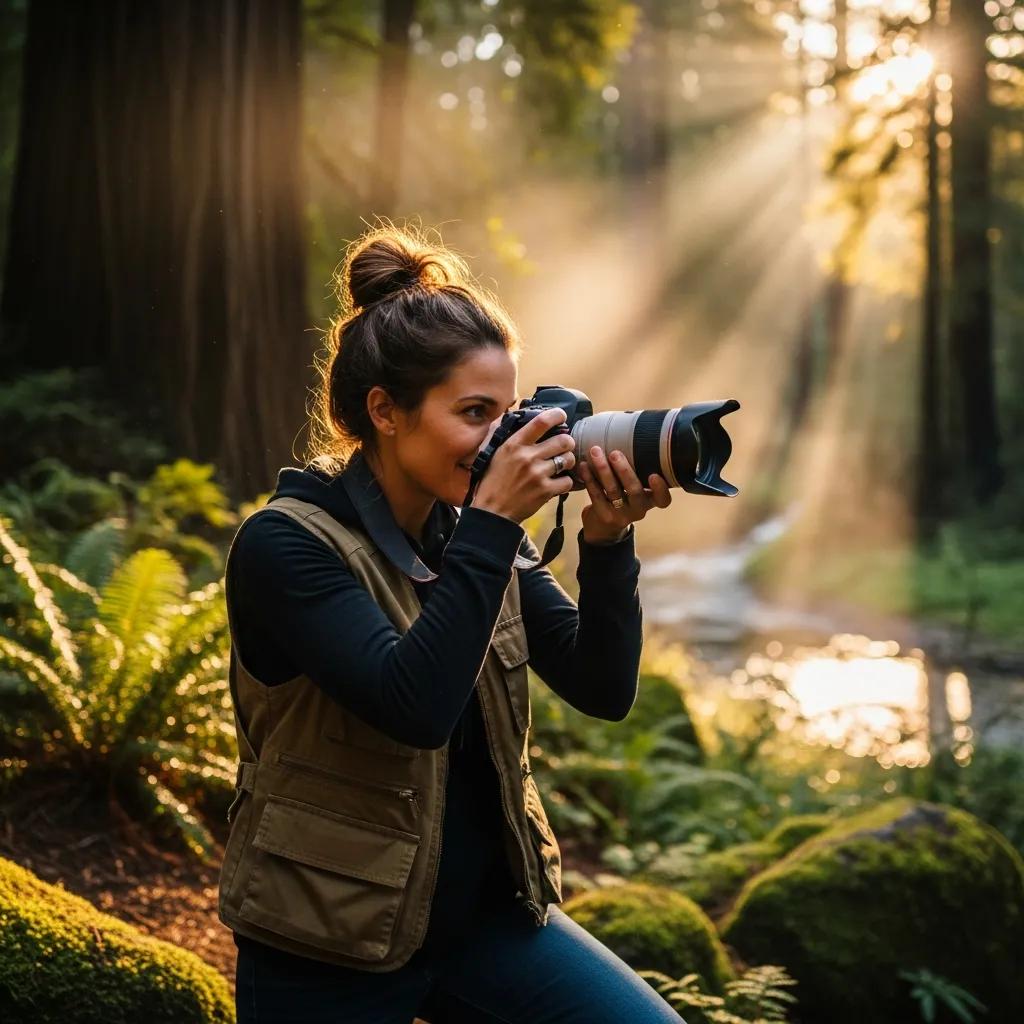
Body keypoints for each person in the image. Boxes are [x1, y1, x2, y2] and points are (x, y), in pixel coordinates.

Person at [218, 223, 682, 1023]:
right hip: (325, 941)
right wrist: (495, 525)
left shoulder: (469, 530)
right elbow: (415, 706)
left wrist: (607, 543)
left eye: (508, 413)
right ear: (386, 412)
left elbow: (602, 686)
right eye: (474, 413)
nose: (499, 441)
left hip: (483, 925)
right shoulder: (287, 545)